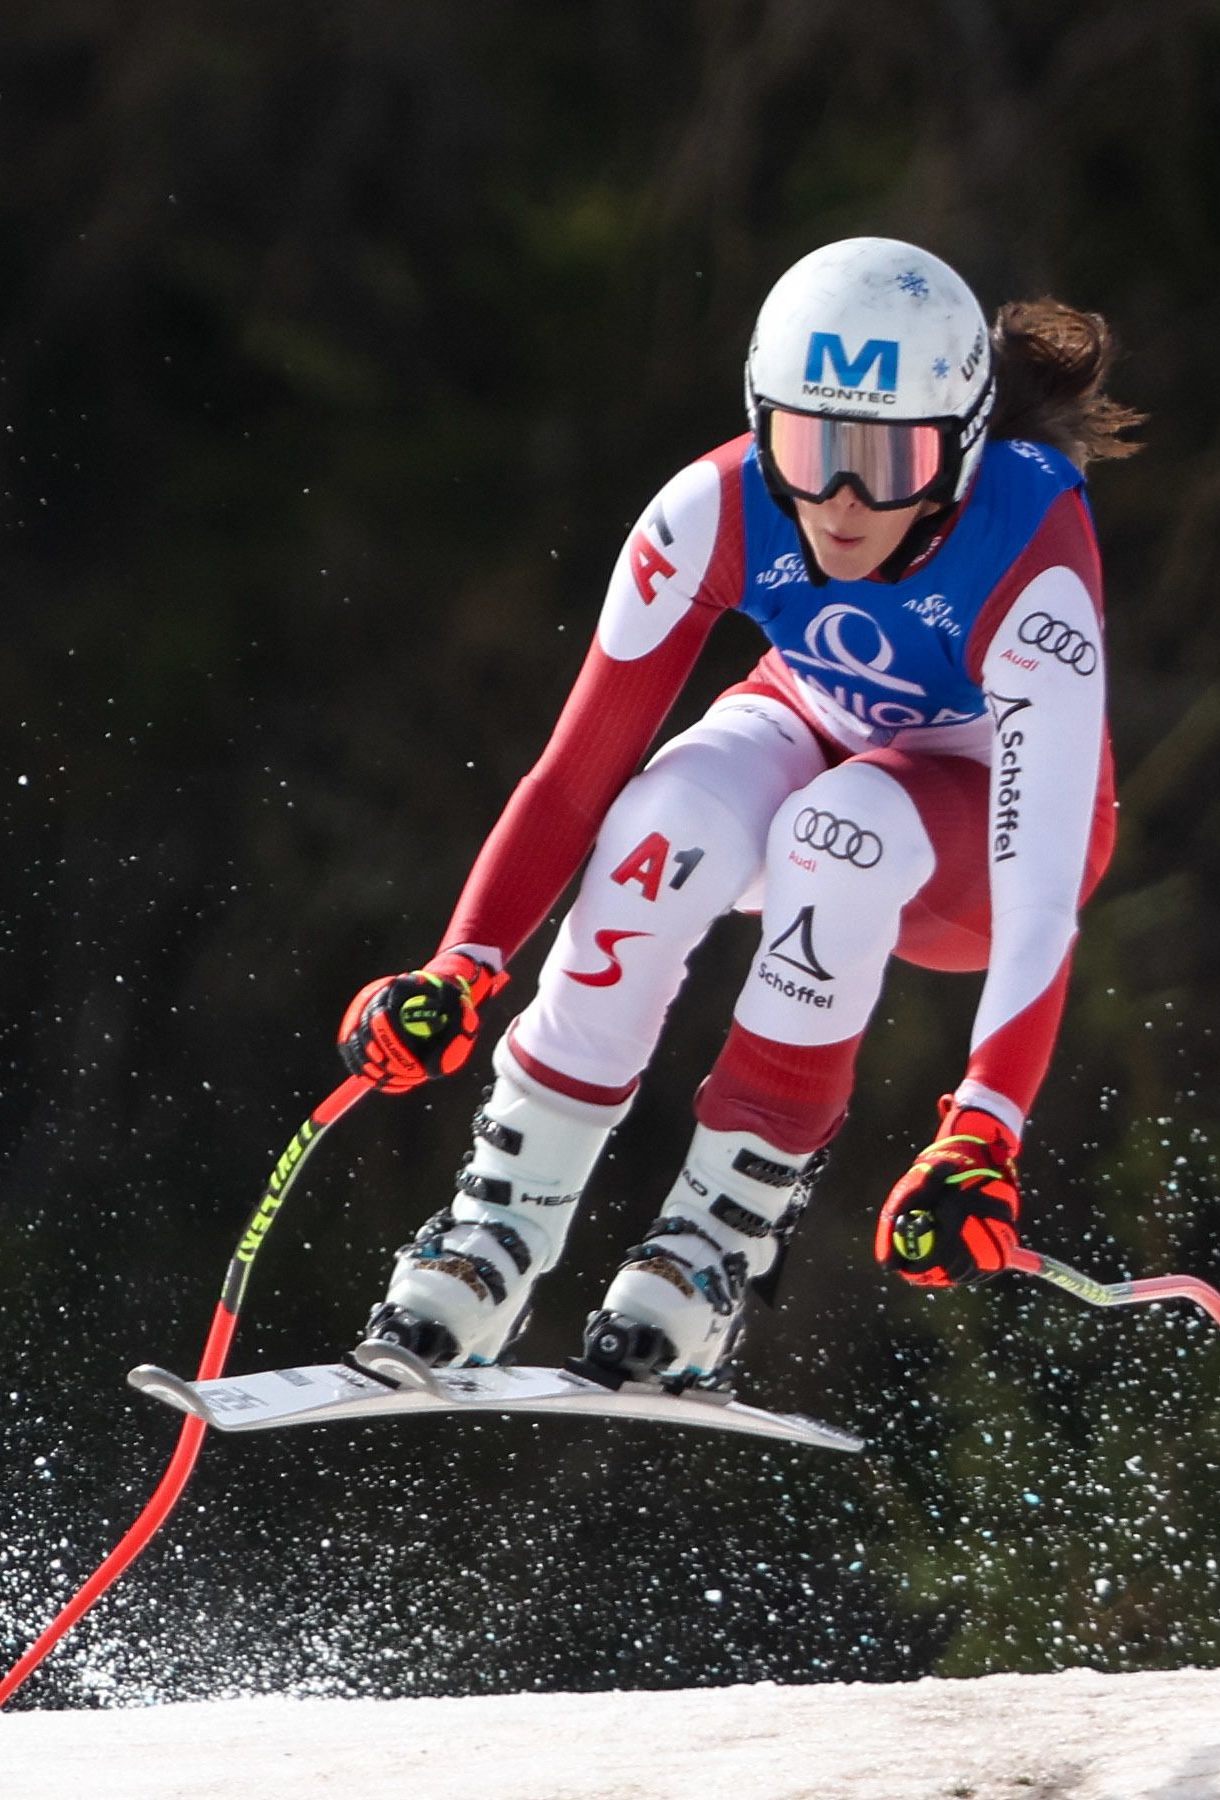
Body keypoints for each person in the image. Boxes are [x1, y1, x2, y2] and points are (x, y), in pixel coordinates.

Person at [337, 236, 1141, 1391]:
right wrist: (460, 967)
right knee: (669, 816)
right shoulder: (710, 510)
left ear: (962, 448)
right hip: (813, 723)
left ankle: (713, 1250)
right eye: (812, 450)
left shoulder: (1033, 555)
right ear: (763, 422)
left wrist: (985, 1128)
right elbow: (573, 778)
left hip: (970, 841)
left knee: (843, 833)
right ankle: (493, 1234)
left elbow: (1038, 896)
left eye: (890, 460)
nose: (845, 500)